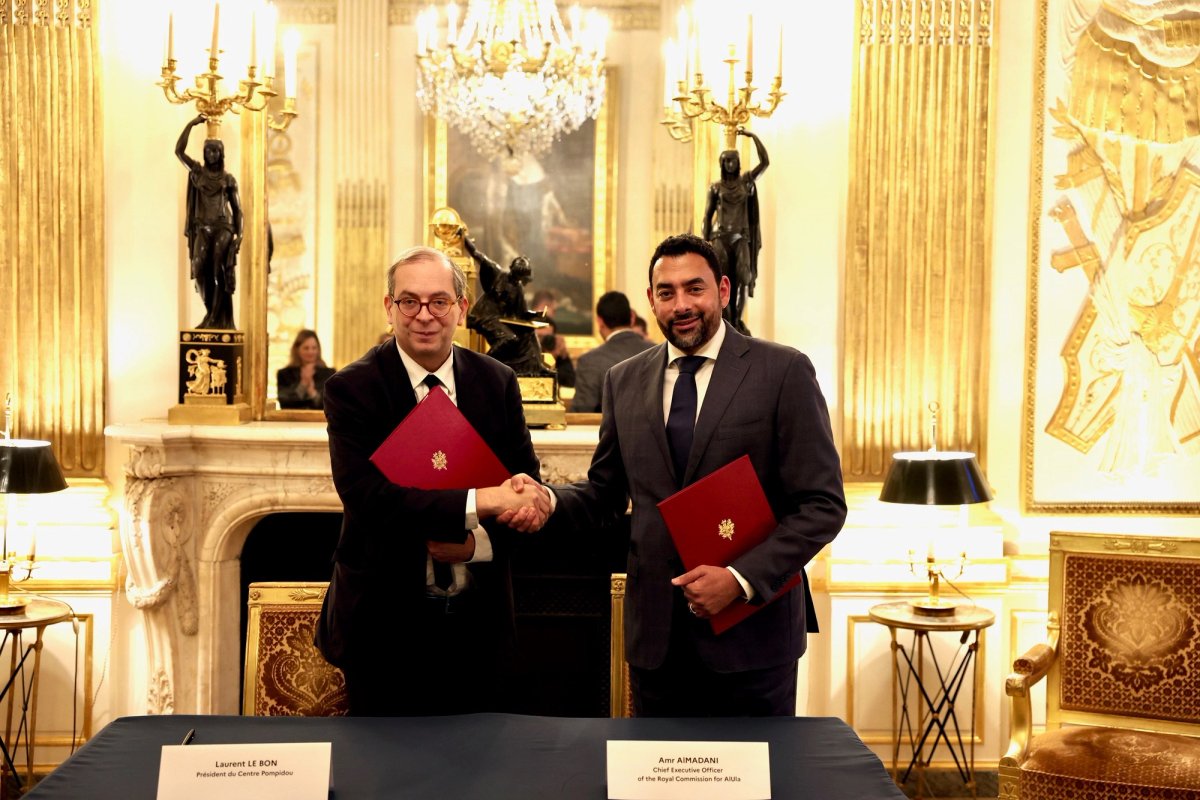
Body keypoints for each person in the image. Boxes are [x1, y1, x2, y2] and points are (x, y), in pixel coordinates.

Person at [507, 234, 846, 717]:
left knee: (751, 791)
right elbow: (604, 494)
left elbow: (822, 505)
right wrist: (548, 499)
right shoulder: (622, 380)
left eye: (695, 288)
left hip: (752, 639)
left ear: (723, 290)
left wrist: (739, 578)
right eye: (666, 292)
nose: (681, 304)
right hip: (658, 645)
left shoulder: (783, 372)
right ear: (650, 301)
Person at [314, 246, 551, 716]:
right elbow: (368, 500)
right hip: (382, 629)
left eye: (439, 301)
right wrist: (480, 503)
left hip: (478, 630)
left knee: (480, 780)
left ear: (462, 310)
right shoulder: (351, 389)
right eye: (409, 301)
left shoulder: (497, 381)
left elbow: (524, 487)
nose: (424, 315)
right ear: (389, 308)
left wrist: (478, 542)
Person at [176, 114, 243, 330]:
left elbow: (238, 210)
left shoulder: (228, 179)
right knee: (199, 267)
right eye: (208, 150)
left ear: (221, 153)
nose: (211, 154)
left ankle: (214, 318)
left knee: (217, 270)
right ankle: (210, 312)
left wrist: (239, 236)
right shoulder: (197, 172)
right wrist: (191, 123)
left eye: (215, 150)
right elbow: (178, 151)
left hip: (223, 227)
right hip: (202, 227)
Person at [702, 128, 769, 334]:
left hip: (741, 239)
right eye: (727, 160)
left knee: (742, 280)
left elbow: (765, 162)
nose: (730, 164)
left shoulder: (746, 181)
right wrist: (704, 247)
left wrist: (752, 136)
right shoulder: (715, 188)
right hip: (720, 238)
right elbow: (707, 216)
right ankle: (726, 321)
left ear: (738, 162)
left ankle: (736, 322)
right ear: (722, 163)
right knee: (723, 281)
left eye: (733, 160)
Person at [463, 233, 553, 377]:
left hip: (501, 320)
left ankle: (535, 366)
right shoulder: (497, 274)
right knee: (509, 338)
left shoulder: (518, 288)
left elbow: (522, 313)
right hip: (485, 316)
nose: (520, 281)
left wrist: (536, 315)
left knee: (528, 333)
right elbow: (477, 255)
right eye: (519, 276)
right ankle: (483, 365)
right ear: (513, 270)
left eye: (522, 278)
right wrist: (464, 238)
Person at [570, 291, 654, 413]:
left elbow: (583, 414)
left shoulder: (589, 361)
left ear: (600, 321)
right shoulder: (658, 353)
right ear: (632, 317)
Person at [276, 329, 335, 410]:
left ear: (318, 350)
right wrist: (303, 385)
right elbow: (284, 403)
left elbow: (332, 405)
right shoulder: (284, 374)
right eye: (306, 348)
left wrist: (312, 392)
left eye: (314, 348)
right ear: (297, 350)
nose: (310, 352)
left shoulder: (329, 374)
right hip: (292, 421)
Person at [539, 318, 576, 388]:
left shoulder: (558, 353)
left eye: (548, 337)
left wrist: (555, 358)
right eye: (540, 337)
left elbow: (570, 383)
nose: (544, 341)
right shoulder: (526, 353)